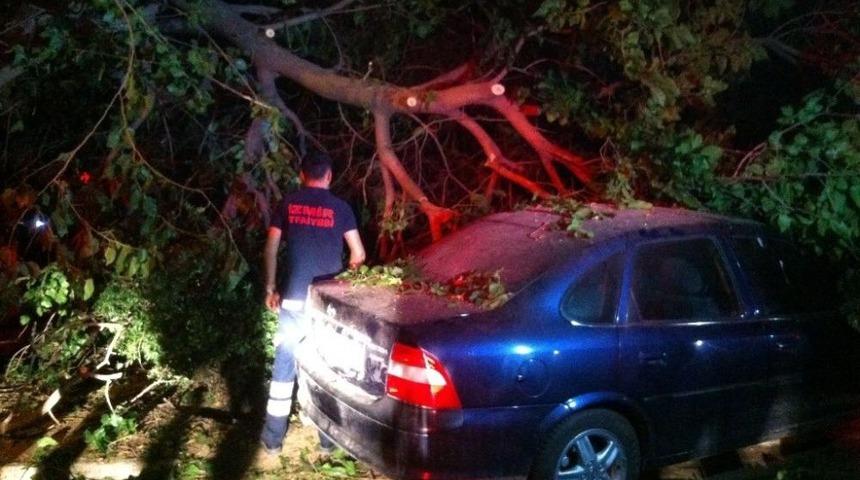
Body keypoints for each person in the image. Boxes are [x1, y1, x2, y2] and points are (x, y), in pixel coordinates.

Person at [259, 150, 366, 462]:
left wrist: (270, 287)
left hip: (291, 302)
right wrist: (344, 289)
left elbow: (271, 247)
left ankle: (273, 441)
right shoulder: (342, 208)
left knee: (283, 371)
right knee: (325, 371)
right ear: (329, 176)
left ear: (301, 175)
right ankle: (327, 443)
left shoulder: (287, 204)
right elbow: (358, 255)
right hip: (326, 308)